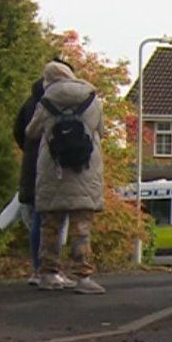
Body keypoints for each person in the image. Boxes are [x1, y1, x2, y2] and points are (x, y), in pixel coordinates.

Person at [25, 61, 107, 294]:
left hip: (54, 170)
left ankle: (49, 273)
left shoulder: (46, 102)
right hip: (85, 169)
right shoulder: (92, 99)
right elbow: (101, 131)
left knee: (50, 226)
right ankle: (83, 277)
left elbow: (31, 132)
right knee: (81, 227)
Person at [13, 72, 73, 288]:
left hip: (30, 169)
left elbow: (21, 132)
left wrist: (29, 151)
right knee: (50, 220)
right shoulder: (54, 103)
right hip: (50, 168)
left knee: (38, 219)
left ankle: (40, 268)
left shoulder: (30, 103)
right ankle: (47, 269)